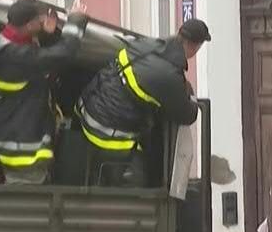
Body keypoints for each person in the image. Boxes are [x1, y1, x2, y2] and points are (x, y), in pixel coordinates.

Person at [67, 17, 207, 188]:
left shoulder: (148, 45)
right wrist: (188, 95)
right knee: (141, 176)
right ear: (195, 46)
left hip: (86, 107)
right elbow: (187, 114)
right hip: (106, 129)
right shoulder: (169, 74)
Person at [0, 0, 90, 184]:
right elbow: (62, 54)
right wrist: (76, 21)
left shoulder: (10, 43)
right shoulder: (12, 55)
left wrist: (48, 35)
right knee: (28, 206)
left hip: (22, 138)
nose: (42, 22)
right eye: (38, 20)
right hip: (23, 149)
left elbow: (44, 64)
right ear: (28, 25)